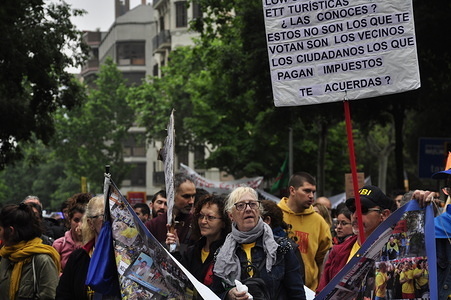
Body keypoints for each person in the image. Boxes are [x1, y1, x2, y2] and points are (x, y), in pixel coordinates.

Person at [317, 186, 434, 293]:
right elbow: (322, 293)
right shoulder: (337, 252)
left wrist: (420, 202)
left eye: (363, 210)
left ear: (384, 215)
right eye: (353, 209)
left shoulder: (398, 249)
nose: (356, 215)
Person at [211, 187, 306, 300]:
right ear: (231, 215)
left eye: (253, 204)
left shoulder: (281, 247)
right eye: (240, 205)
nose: (248, 209)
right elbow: (215, 294)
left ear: (259, 211)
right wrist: (228, 295)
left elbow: (297, 294)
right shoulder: (222, 254)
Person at [56, 195, 120, 300]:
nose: (111, 222)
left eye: (115, 217)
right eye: (104, 217)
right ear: (91, 223)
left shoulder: (125, 256)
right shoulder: (79, 258)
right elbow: (63, 294)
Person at [167, 194, 231, 296]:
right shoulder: (193, 251)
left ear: (223, 222)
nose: (203, 221)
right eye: (201, 216)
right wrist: (175, 248)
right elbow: (179, 278)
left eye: (210, 217)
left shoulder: (229, 254)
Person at [278, 172, 332, 291]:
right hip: (278, 291)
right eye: (307, 191)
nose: (311, 196)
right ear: (292, 190)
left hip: (309, 291)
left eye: (313, 192)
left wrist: (320, 289)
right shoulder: (275, 214)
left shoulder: (319, 222)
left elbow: (324, 260)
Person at [0, 203, 61, 300]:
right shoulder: (6, 256)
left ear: (11, 231)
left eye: (0, 229)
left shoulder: (42, 260)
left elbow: (49, 296)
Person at [146, 174, 196, 254]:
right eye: (186, 196)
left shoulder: (197, 223)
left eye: (193, 196)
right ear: (171, 195)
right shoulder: (152, 225)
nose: (191, 201)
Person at [52, 194, 88, 271]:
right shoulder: (59, 245)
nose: (80, 225)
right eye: (76, 220)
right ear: (69, 220)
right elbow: (54, 272)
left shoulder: (95, 243)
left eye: (84, 221)